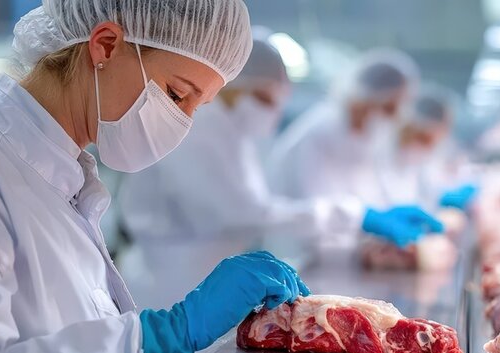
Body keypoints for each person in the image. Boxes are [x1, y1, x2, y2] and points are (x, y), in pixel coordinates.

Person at [0, 1, 308, 353]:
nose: (183, 125)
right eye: (176, 95)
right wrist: (161, 335)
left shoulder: (64, 179)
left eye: (198, 106)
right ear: (106, 45)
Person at [117, 38, 443, 310]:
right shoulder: (198, 130)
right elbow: (244, 214)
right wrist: (355, 215)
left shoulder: (233, 134)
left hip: (201, 280)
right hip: (165, 284)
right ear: (228, 82)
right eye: (263, 97)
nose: (271, 112)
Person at [268, 49, 420, 206]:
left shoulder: (368, 141)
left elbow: (373, 194)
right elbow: (312, 206)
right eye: (389, 108)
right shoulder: (320, 132)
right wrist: (364, 216)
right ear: (365, 98)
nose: (394, 118)